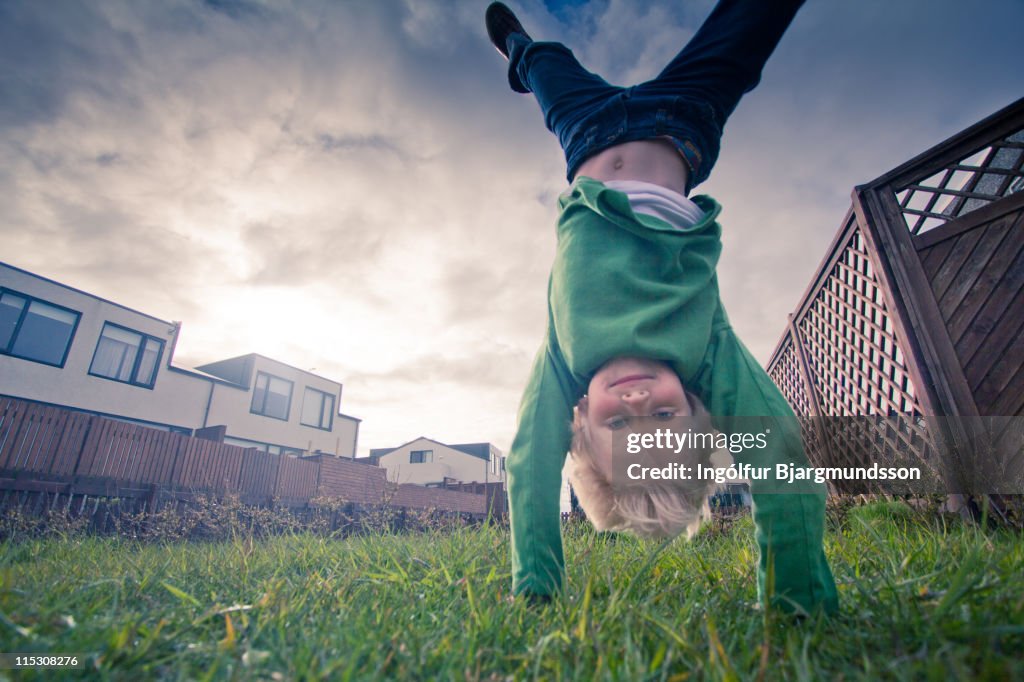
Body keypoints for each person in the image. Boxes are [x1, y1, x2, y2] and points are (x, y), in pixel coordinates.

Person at [485, 0, 839, 615]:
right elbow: (780, 453)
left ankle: (520, 54)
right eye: (667, 418)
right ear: (699, 407)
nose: (638, 402)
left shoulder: (565, 364)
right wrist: (796, 600)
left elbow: (527, 465)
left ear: (579, 425)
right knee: (750, 26)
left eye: (618, 426)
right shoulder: (705, 353)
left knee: (548, 63)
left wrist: (536, 591)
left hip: (585, 132)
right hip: (680, 119)